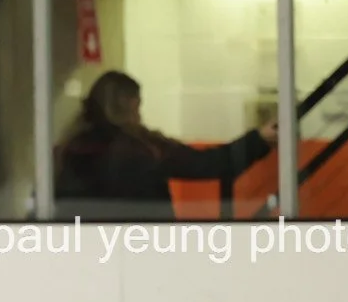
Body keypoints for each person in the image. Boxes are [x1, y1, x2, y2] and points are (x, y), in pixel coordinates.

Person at [54, 69, 275, 220]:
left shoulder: (69, 150)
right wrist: (260, 139)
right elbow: (209, 163)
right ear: (131, 105)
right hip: (147, 246)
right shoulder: (143, 149)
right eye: (138, 106)